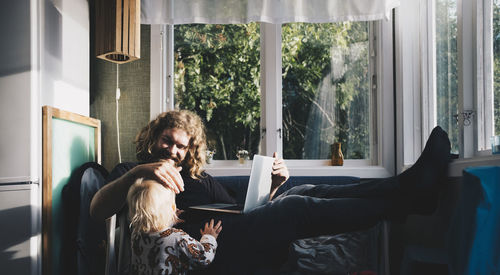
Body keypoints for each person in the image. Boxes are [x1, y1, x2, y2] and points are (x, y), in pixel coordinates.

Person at [90, 110, 451, 273]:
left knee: (303, 188)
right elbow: (96, 209)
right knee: (296, 207)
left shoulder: (198, 177)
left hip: (240, 231)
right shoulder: (132, 173)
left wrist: (274, 187)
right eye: (167, 141)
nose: (173, 151)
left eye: (181, 146)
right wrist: (138, 171)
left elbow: (246, 211)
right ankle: (407, 199)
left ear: (189, 151)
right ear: (154, 138)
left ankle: (406, 189)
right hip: (209, 249)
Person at [127, 177, 222, 274]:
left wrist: (169, 220)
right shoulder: (177, 238)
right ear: (173, 207)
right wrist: (209, 237)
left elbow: (156, 232)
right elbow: (203, 258)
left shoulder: (136, 234)